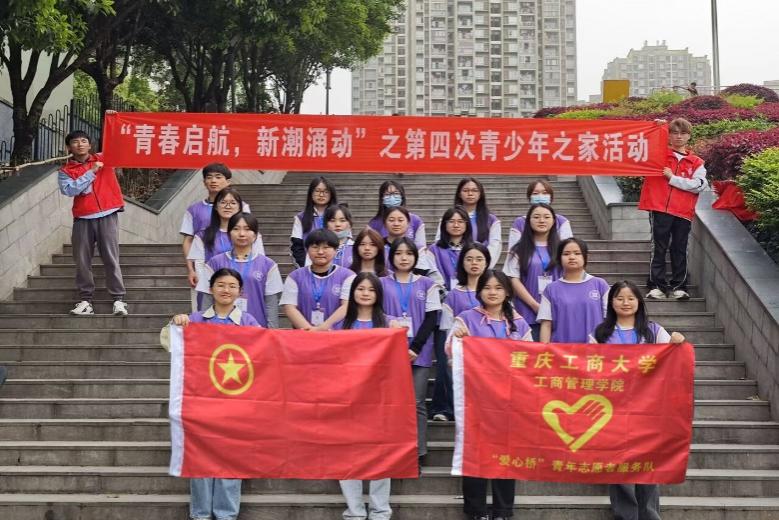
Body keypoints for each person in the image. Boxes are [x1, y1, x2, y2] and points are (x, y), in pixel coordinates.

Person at [167, 267, 260, 520]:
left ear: (240, 291)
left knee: (231, 457)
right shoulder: (195, 319)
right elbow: (170, 344)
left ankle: (226, 514)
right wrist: (175, 323)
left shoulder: (249, 322)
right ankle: (200, 514)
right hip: (201, 400)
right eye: (220, 285)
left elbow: (262, 355)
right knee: (200, 458)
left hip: (235, 402)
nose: (226, 290)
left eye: (232, 286)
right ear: (210, 289)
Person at [590, 280, 686, 520]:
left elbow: (674, 359)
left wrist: (677, 342)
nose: (625, 303)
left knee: (648, 464)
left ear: (639, 302)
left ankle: (650, 515)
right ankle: (626, 515)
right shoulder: (600, 334)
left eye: (631, 298)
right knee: (618, 464)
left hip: (648, 410)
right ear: (611, 302)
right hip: (612, 409)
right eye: (619, 298)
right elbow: (590, 368)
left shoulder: (653, 331)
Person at [446, 269, 532, 520]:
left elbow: (530, 359)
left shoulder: (519, 323)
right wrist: (458, 341)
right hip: (476, 399)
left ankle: (503, 510)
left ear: (507, 292)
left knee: (507, 453)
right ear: (479, 291)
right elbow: (451, 354)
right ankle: (476, 510)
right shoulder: (466, 319)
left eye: (498, 287)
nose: (492, 292)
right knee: (476, 452)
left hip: (509, 400)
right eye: (487, 287)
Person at [333, 272, 408, 520]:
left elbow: (401, 359)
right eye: (360, 289)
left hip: (380, 400)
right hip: (347, 400)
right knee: (347, 455)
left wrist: (399, 335)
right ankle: (354, 511)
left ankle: (380, 510)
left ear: (379, 294)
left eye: (371, 290)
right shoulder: (340, 325)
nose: (365, 293)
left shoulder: (390, 324)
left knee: (380, 455)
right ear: (352, 292)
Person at [380, 237, 442, 466]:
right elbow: (376, 313)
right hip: (389, 351)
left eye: (408, 253)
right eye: (398, 253)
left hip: (420, 351)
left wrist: (415, 347)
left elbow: (431, 318)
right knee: (390, 402)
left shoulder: (427, 284)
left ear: (416, 257)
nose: (403, 258)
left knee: (417, 402)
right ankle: (392, 449)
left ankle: (419, 451)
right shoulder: (381, 283)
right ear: (391, 257)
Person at [58, 130, 128, 316]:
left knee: (111, 258)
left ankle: (118, 299)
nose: (80, 144)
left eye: (84, 141)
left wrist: (114, 121)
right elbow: (69, 190)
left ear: (90, 145)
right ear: (69, 147)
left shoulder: (104, 158)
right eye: (75, 142)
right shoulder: (65, 171)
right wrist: (91, 173)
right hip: (83, 218)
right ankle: (85, 300)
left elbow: (122, 147)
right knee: (82, 260)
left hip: (107, 214)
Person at [638, 117, 708, 301]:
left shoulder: (696, 162)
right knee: (659, 247)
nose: (678, 136)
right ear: (668, 135)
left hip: (683, 211)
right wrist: (656, 129)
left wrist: (672, 178)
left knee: (679, 248)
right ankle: (656, 285)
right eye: (674, 133)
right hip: (659, 208)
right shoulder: (658, 155)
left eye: (683, 133)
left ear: (689, 136)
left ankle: (679, 286)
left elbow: (699, 185)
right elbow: (641, 147)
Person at [432, 243, 492, 423]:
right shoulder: (453, 294)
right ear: (462, 263)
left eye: (479, 259)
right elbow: (446, 326)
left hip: (488, 347)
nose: (474, 263)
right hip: (460, 346)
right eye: (469, 259)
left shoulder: (494, 290)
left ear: (487, 262)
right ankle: (447, 408)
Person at [198, 213, 282, 328]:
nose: (242, 234)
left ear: (255, 235)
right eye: (236, 229)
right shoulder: (214, 263)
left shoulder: (268, 265)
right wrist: (204, 327)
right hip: (220, 329)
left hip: (256, 328)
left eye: (247, 229)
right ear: (229, 234)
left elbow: (271, 304)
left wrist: (271, 332)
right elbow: (207, 298)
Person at [188, 188, 262, 311]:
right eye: (223, 202)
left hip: (245, 291)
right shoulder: (202, 235)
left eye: (233, 203)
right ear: (216, 207)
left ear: (240, 207)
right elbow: (199, 266)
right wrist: (212, 289)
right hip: (213, 290)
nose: (228, 206)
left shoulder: (251, 235)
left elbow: (259, 260)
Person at [503, 203, 562, 340]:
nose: (541, 220)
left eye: (546, 217)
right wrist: (534, 305)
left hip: (557, 311)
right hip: (527, 312)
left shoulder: (562, 249)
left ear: (554, 221)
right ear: (528, 221)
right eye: (536, 217)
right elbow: (513, 278)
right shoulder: (518, 249)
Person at [537, 238, 609, 344]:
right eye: (566, 254)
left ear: (586, 257)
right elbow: (546, 324)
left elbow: (610, 320)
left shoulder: (600, 285)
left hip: (594, 350)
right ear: (559, 258)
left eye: (577, 253)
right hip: (561, 350)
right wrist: (544, 348)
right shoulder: (551, 289)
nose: (572, 257)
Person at [281, 229, 355, 331]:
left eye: (326, 247)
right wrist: (309, 331)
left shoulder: (348, 276)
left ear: (335, 250)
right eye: (315, 247)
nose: (320, 252)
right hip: (304, 335)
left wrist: (322, 328)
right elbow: (289, 307)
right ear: (307, 250)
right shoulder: (295, 277)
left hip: (337, 335)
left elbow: (346, 306)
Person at [434, 178, 501, 267]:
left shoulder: (491, 220)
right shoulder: (448, 217)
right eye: (465, 190)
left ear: (480, 194)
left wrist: (483, 266)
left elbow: (495, 246)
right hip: (450, 265)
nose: (470, 194)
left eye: (474, 190)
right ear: (459, 194)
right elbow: (439, 241)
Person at [508, 179, 573, 250]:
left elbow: (568, 248)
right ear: (529, 197)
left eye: (545, 193)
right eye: (535, 193)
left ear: (551, 197)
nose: (540, 196)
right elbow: (513, 250)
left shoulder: (561, 221)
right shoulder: (519, 222)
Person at [290, 176, 337, 268]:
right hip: (309, 266)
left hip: (336, 266)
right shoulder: (301, 218)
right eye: (317, 191)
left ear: (331, 194)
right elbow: (296, 246)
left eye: (326, 191)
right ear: (311, 193)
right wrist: (305, 267)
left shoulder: (338, 216)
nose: (321, 195)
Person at [424, 207, 474, 293]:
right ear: (444, 224)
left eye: (460, 221)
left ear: (467, 224)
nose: (456, 225)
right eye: (451, 221)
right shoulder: (433, 250)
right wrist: (445, 294)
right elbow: (432, 274)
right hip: (442, 295)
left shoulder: (474, 249)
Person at [368, 181, 426, 249]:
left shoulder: (416, 220)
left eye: (396, 193)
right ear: (382, 198)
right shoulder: (374, 223)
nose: (392, 197)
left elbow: (421, 248)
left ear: (402, 196)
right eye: (387, 194)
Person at [313, 203, 354, 269]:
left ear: (350, 224)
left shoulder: (356, 248)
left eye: (342, 220)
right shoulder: (316, 249)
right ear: (326, 224)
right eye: (332, 221)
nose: (337, 224)